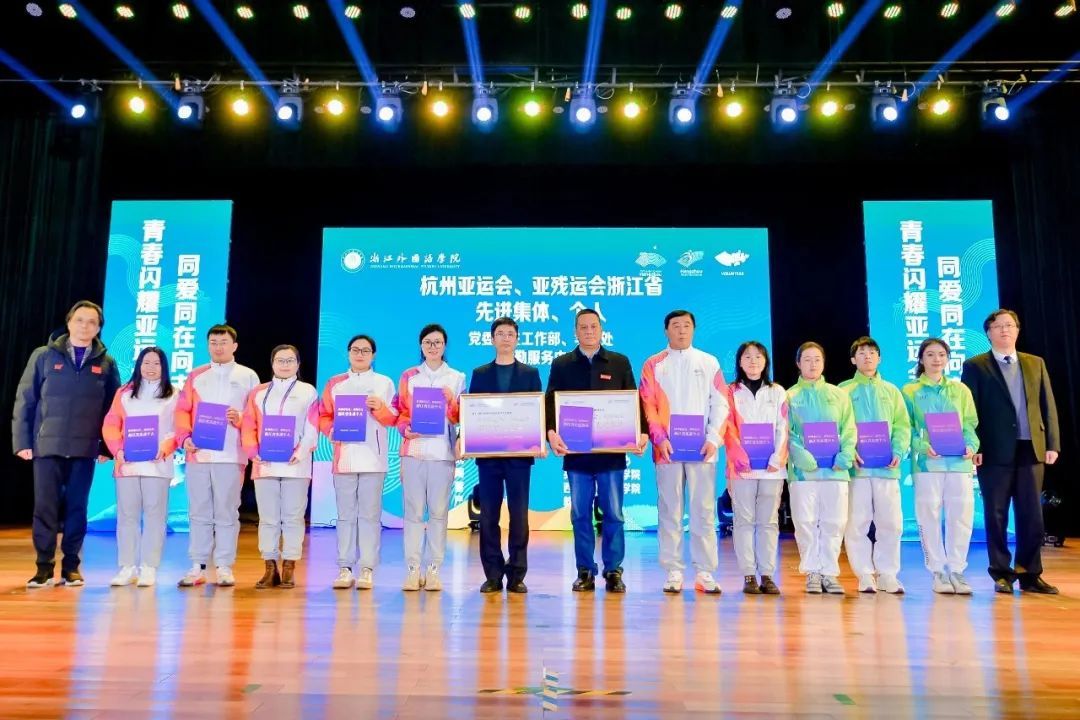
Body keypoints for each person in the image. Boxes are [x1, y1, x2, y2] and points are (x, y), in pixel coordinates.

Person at [13, 300, 122, 588]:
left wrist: (106, 446)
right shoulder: (43, 355)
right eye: (80, 320)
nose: (85, 326)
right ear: (69, 322)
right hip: (46, 446)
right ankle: (43, 567)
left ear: (98, 328)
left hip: (84, 449)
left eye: (92, 322)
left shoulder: (107, 363)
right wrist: (22, 441)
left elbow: (113, 409)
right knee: (45, 508)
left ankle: (71, 566)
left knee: (77, 508)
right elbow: (25, 400)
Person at [545, 309, 649, 594]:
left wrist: (641, 432)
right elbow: (551, 402)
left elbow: (633, 400)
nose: (589, 331)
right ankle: (585, 571)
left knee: (613, 514)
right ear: (575, 331)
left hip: (611, 456)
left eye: (593, 326)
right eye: (583, 327)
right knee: (580, 515)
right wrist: (551, 432)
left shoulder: (618, 362)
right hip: (577, 455)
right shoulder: (562, 364)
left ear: (601, 330)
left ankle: (613, 570)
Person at [961, 309, 1061, 594]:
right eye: (998, 326)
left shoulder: (1035, 363)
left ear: (1017, 330)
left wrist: (1052, 443)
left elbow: (1048, 404)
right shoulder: (975, 366)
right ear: (988, 333)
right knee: (996, 513)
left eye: (1009, 325)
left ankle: (1030, 573)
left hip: (1031, 447)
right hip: (993, 450)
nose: (1004, 330)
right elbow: (970, 410)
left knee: (1032, 514)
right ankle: (1001, 572)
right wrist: (976, 445)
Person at [639, 309, 729, 595]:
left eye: (686, 325)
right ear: (666, 330)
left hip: (703, 449)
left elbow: (721, 403)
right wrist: (659, 438)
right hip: (667, 450)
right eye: (675, 325)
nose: (681, 330)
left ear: (694, 329)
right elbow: (648, 404)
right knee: (670, 509)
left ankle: (705, 571)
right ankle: (673, 570)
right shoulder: (653, 364)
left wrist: (713, 438)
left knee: (703, 510)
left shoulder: (709, 362)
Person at [173, 324, 260, 588]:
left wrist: (240, 418)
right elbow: (182, 411)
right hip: (199, 454)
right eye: (213, 342)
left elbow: (258, 414)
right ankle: (197, 565)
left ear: (234, 346)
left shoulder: (248, 376)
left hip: (231, 455)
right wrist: (184, 438)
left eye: (223, 342)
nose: (218, 347)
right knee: (198, 511)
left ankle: (224, 566)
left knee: (227, 511)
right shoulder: (196, 376)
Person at [468, 317, 543, 594]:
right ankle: (492, 574)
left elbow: (536, 412)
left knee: (519, 516)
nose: (505, 338)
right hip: (489, 456)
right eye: (500, 333)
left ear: (517, 339)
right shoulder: (480, 373)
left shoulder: (530, 374)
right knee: (488, 516)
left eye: (510, 334)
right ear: (492, 339)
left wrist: (538, 440)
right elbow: (473, 412)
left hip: (519, 457)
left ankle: (516, 574)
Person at [317, 334, 398, 591]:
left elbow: (393, 418)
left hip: (374, 460)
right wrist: (332, 431)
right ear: (348, 353)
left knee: (370, 516)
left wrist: (380, 408)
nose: (360, 354)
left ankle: (367, 568)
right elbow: (323, 415)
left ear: (373, 355)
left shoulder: (384, 383)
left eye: (365, 350)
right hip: (345, 458)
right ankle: (345, 567)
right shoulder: (335, 383)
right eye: (355, 350)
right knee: (345, 516)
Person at [902, 338, 979, 595]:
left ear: (948, 359)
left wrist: (971, 446)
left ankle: (957, 569)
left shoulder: (960, 390)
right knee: (929, 516)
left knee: (961, 516)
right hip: (928, 465)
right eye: (930, 355)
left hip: (959, 464)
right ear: (921, 359)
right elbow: (907, 428)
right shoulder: (910, 391)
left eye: (942, 355)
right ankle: (937, 571)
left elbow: (970, 425)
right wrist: (923, 446)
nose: (937, 359)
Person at [393, 324, 466, 592]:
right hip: (413, 452)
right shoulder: (409, 376)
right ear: (421, 346)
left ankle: (434, 569)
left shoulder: (457, 377)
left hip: (442, 454)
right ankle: (413, 569)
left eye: (437, 342)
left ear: (445, 346)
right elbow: (400, 412)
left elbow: (461, 418)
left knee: (438, 513)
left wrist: (451, 402)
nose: (432, 347)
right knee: (413, 513)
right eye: (427, 342)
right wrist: (405, 428)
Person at [241, 344, 319, 590]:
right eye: (280, 360)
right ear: (272, 363)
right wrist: (253, 452)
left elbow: (312, 426)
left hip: (296, 465)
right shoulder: (258, 392)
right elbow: (249, 425)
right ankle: (270, 566)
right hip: (264, 464)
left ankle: (289, 566)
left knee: (293, 517)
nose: (285, 365)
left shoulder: (308, 391)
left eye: (290, 360)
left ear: (298, 364)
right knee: (268, 518)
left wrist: (301, 451)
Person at [838, 337, 911, 594]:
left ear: (879, 358)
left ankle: (888, 573)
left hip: (887, 468)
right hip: (856, 469)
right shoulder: (843, 391)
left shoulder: (892, 391)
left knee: (891, 522)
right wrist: (849, 451)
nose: (867, 356)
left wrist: (898, 451)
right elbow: (838, 426)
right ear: (853, 359)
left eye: (872, 352)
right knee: (856, 522)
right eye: (861, 352)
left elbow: (902, 425)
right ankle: (864, 574)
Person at [101, 347, 179, 588]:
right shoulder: (124, 393)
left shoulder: (174, 394)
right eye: (146, 362)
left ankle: (149, 567)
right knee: (127, 516)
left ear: (164, 367)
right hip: (128, 464)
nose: (151, 368)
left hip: (157, 465)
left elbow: (178, 428)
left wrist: (165, 447)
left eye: (157, 363)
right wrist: (117, 450)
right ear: (139, 365)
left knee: (155, 516)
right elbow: (111, 424)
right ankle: (127, 567)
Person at [786, 342, 857, 596]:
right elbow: (786, 432)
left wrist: (845, 456)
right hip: (803, 474)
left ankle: (829, 572)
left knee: (834, 521)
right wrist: (802, 456)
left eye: (817, 359)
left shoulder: (839, 395)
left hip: (835, 471)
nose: (812, 364)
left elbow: (849, 429)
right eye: (807, 359)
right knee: (805, 521)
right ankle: (812, 572)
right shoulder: (789, 396)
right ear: (798, 363)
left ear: (824, 363)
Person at [722, 341, 788, 596]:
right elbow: (727, 426)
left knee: (768, 521)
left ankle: (768, 574)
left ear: (765, 361)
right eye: (747, 357)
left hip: (772, 469)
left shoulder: (777, 391)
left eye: (758, 356)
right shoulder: (730, 392)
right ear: (739, 362)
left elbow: (783, 425)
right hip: (741, 469)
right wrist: (738, 455)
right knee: (744, 520)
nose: (753, 361)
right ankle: (749, 574)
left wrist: (776, 457)